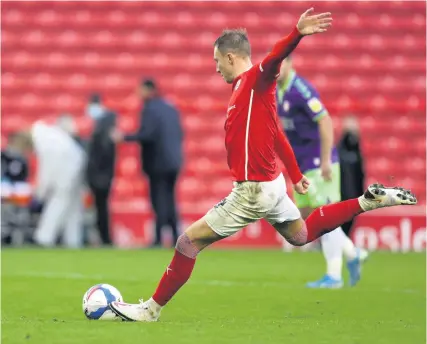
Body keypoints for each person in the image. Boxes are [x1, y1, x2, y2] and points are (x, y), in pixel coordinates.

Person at [109, 9, 416, 322]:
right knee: (301, 234)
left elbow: (273, 59)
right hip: (272, 184)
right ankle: (366, 201)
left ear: (230, 57)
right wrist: (296, 176)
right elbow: (276, 133)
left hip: (253, 189)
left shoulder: (257, 79)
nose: (216, 69)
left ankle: (151, 310)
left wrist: (296, 34)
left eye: (217, 61)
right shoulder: (244, 89)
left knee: (188, 242)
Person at [276, 57, 367, 288]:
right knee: (308, 215)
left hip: (319, 162)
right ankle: (353, 252)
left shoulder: (301, 90)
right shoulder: (279, 91)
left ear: (290, 64)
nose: (276, 70)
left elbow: (325, 121)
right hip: (303, 164)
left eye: (280, 64)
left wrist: (326, 160)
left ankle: (334, 275)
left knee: (325, 217)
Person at [112, 78, 183, 247]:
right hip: (174, 161)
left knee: (159, 200)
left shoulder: (149, 109)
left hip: (158, 162)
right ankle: (174, 237)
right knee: (170, 199)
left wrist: (124, 137)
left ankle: (158, 238)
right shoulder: (170, 108)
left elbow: (147, 134)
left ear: (148, 90)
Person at [31, 117, 87, 248]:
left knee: (59, 202)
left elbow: (46, 170)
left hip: (69, 172)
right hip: (74, 168)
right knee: (73, 207)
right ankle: (73, 240)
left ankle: (44, 237)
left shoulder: (45, 141)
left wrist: (40, 193)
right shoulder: (49, 136)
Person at [86, 110, 117, 245]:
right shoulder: (106, 140)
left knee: (100, 209)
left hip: (96, 179)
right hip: (102, 179)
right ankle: (105, 237)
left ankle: (103, 236)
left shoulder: (97, 136)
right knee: (102, 209)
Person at [338, 115, 366, 237]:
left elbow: (360, 175)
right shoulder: (339, 152)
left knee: (347, 226)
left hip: (353, 196)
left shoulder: (357, 153)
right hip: (341, 196)